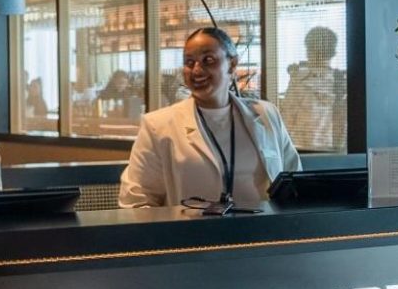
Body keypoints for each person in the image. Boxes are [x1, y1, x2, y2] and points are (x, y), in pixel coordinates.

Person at [119, 26, 300, 211]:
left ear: (232, 64)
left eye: (208, 60)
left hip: (263, 228)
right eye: (189, 62)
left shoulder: (267, 115)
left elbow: (295, 185)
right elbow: (136, 202)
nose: (197, 70)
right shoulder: (157, 126)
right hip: (190, 229)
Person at [280, 25, 346, 151]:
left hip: (301, 149)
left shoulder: (299, 80)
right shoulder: (340, 81)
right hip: (331, 150)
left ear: (309, 51)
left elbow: (287, 119)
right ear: (333, 53)